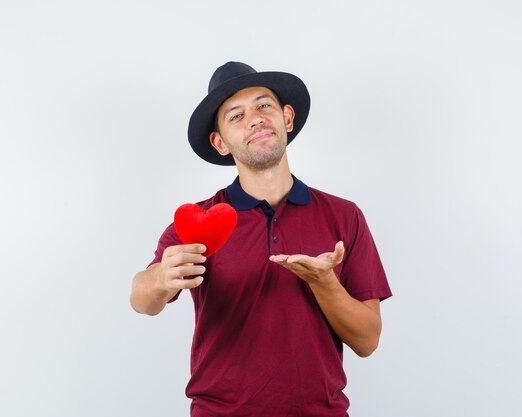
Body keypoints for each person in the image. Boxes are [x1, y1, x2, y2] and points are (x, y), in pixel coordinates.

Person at [130, 61, 392, 417]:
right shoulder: (199, 222)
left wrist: (323, 281)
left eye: (263, 105)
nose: (254, 118)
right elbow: (143, 301)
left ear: (286, 118)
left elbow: (367, 341)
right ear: (220, 142)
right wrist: (159, 278)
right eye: (236, 116)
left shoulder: (344, 216)